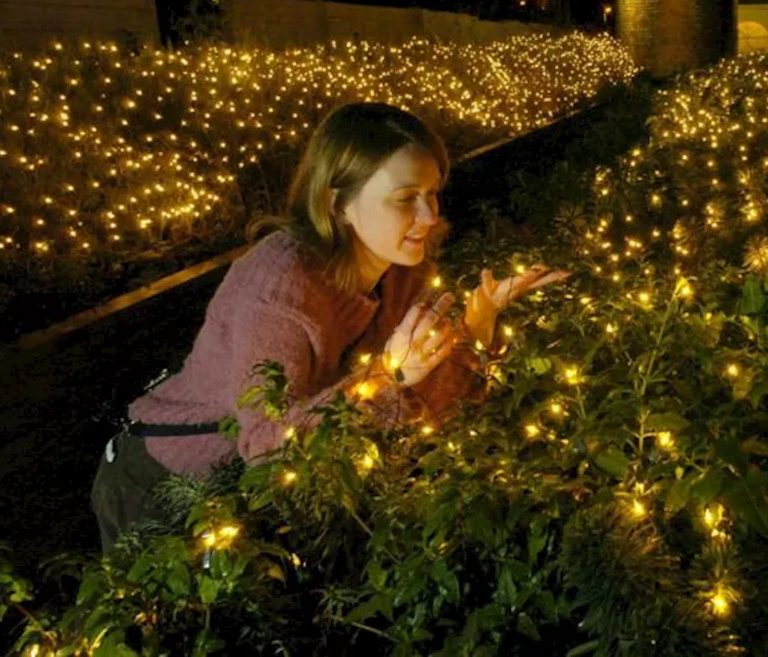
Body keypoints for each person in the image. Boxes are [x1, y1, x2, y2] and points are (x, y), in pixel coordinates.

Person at [90, 102, 568, 552]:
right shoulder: (281, 286)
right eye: (406, 198)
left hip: (257, 506)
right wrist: (388, 378)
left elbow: (431, 407)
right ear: (338, 203)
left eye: (433, 194)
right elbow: (267, 450)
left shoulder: (402, 270)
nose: (430, 216)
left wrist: (477, 326)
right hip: (164, 489)